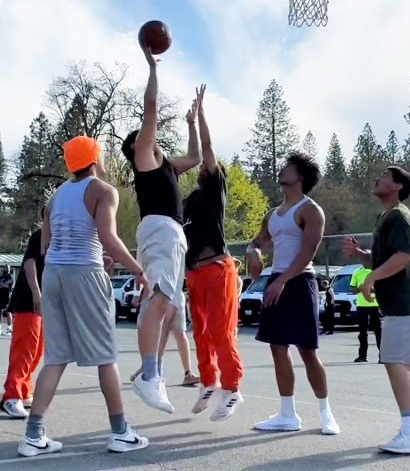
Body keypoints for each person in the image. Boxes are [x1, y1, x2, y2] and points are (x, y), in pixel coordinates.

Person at [17, 135, 151, 457]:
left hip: (54, 275)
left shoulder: (56, 197)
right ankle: (120, 432)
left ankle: (33, 435)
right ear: (94, 159)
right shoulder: (104, 191)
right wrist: (138, 270)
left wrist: (90, 253)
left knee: (56, 358)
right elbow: (109, 238)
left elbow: (48, 247)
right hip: (84, 276)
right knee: (106, 356)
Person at [120, 43, 204, 414]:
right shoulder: (145, 158)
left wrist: (192, 124)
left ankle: (149, 371)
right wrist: (152, 68)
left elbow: (197, 157)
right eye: (145, 136)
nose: (151, 136)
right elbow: (150, 108)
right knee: (160, 301)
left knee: (166, 304)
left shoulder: (167, 167)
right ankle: (149, 375)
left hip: (170, 232)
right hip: (160, 230)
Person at [344, 166, 410, 454]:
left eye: (386, 176)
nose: (378, 178)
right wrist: (363, 256)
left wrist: (371, 277)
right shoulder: (386, 217)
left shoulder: (400, 216)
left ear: (398, 187)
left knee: (394, 361)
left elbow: (404, 256)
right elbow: (385, 259)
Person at [246, 152, 339, 435]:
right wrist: (253, 253)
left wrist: (282, 280)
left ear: (298, 177)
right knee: (277, 349)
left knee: (307, 351)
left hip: (300, 281)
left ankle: (326, 414)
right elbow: (257, 242)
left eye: (287, 168)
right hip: (277, 280)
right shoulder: (272, 215)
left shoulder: (311, 210)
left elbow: (307, 252)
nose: (282, 170)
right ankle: (288, 414)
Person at [181, 87, 245, 421]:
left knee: (222, 330)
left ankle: (233, 388)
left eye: (210, 164)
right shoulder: (188, 201)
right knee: (201, 331)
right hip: (195, 273)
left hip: (218, 268)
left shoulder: (214, 190)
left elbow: (206, 149)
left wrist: (200, 117)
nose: (204, 166)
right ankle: (209, 381)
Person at [0, 226, 46, 419]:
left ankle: (24, 390)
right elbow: (29, 263)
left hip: (45, 303)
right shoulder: (41, 235)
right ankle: (11, 396)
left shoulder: (61, 236)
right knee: (24, 349)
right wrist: (36, 292)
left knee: (36, 350)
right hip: (29, 300)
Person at [129, 296, 199, 388]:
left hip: (172, 298)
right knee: (171, 334)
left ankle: (154, 372)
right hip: (171, 298)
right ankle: (151, 369)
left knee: (171, 334)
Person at [350, 266, 381, 362]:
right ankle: (362, 356)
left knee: (378, 331)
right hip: (361, 305)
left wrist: (370, 289)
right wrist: (361, 289)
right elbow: (352, 289)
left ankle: (383, 356)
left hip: (374, 305)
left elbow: (383, 287)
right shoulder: (357, 272)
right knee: (362, 332)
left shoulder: (377, 270)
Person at [0, 266, 14, 336]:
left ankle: (9, 329)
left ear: (9, 269)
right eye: (5, 268)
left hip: (7, 296)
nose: (6, 269)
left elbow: (6, 285)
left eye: (7, 268)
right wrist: (0, 285)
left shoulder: (10, 277)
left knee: (8, 311)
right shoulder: (0, 277)